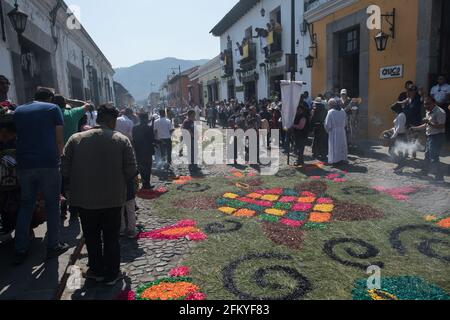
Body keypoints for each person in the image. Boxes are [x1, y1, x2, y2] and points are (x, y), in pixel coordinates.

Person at [61, 104, 138, 285]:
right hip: (113, 198)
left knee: (91, 235)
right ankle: (112, 273)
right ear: (111, 120)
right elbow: (131, 170)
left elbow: (64, 169)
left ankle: (96, 270)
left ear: (99, 118)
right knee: (111, 237)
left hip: (84, 199)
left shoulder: (75, 139)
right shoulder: (121, 140)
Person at [13, 87, 69, 264]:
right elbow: (59, 138)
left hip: (24, 164)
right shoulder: (53, 109)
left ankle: (20, 248)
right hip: (48, 163)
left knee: (26, 205)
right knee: (52, 205)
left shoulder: (19, 110)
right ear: (50, 98)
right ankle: (53, 245)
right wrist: (59, 157)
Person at [410, 96, 447, 182]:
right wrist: (415, 128)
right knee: (427, 156)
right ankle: (424, 171)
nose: (426, 106)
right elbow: (426, 125)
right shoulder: (428, 111)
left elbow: (441, 126)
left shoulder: (440, 112)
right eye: (425, 104)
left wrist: (429, 122)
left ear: (434, 103)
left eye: (428, 104)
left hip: (437, 136)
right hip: (430, 136)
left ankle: (440, 177)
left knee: (434, 157)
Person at [132, 112, 155, 190]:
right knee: (148, 167)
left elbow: (134, 140)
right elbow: (152, 140)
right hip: (147, 151)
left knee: (141, 167)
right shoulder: (149, 128)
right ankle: (147, 184)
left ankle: (144, 182)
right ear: (146, 119)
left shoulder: (134, 128)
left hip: (138, 150)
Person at [324, 98, 348, 165]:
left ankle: (335, 160)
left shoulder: (331, 112)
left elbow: (327, 124)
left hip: (334, 131)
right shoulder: (343, 111)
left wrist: (328, 130)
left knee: (334, 146)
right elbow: (346, 122)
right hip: (342, 131)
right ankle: (342, 159)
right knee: (342, 145)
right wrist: (341, 127)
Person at [389, 103, 408, 172]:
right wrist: (392, 130)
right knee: (393, 151)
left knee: (397, 151)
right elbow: (396, 126)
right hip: (398, 135)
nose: (392, 112)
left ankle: (401, 165)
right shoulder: (399, 115)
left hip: (400, 136)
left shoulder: (401, 115)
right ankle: (400, 164)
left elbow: (400, 127)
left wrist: (394, 135)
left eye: (393, 110)